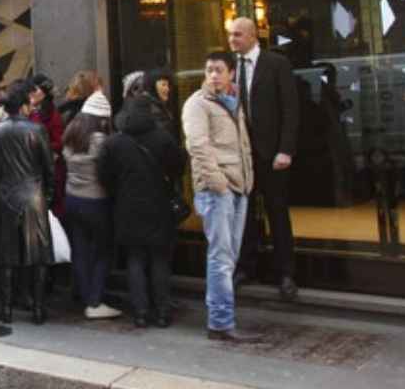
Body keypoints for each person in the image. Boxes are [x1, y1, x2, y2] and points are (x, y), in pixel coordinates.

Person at [182, 51, 260, 342]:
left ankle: (223, 320)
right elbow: (198, 147)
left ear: (230, 74)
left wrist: (245, 182)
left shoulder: (233, 103)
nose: (213, 75)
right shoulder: (197, 104)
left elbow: (242, 145)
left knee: (229, 256)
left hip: (239, 187)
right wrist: (220, 184)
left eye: (218, 70)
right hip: (219, 191)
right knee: (221, 257)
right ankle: (220, 322)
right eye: (209, 70)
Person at [228, 17, 300, 301]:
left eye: (237, 34)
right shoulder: (229, 68)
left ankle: (285, 273)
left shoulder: (276, 64)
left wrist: (286, 149)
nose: (232, 40)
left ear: (252, 35)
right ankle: (245, 267)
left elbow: (290, 109)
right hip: (241, 156)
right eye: (230, 35)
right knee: (242, 213)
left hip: (272, 154)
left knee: (277, 212)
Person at [99, 94, 186, 328]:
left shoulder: (114, 142)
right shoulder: (163, 138)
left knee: (134, 259)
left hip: (127, 206)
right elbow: (178, 167)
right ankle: (163, 312)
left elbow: (104, 176)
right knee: (160, 259)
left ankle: (140, 312)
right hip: (158, 204)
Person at [0, 80, 55, 325]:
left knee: (7, 256)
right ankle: (38, 308)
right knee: (38, 255)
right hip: (34, 196)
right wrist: (47, 197)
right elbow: (49, 168)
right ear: (25, 106)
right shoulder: (37, 131)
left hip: (7, 196)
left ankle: (6, 308)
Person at [61, 79, 120, 320]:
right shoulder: (100, 141)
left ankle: (85, 296)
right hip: (96, 202)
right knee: (103, 250)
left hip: (72, 198)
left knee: (81, 249)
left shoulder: (72, 136)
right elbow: (108, 171)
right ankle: (95, 301)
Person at [29, 75, 66, 217]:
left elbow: (59, 142)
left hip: (50, 170)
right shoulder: (33, 111)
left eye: (35, 89)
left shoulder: (52, 114)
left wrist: (39, 146)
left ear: (43, 92)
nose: (31, 92)